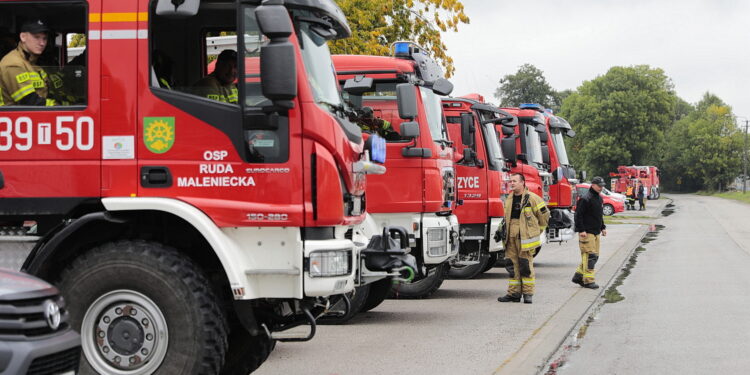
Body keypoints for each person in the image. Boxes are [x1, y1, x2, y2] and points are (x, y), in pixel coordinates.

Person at [497, 173, 550, 304]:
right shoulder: (509, 198)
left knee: (525, 265)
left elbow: (545, 216)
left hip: (525, 237)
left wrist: (538, 230)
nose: (512, 183)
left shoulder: (532, 198)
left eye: (514, 181)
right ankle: (513, 294)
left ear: (522, 183)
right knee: (511, 265)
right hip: (511, 236)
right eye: (511, 181)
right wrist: (500, 231)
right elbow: (506, 218)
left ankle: (528, 294)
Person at [0, 19, 56, 106]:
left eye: (44, 38)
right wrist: (57, 106)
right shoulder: (13, 63)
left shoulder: (31, 61)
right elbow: (28, 101)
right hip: (17, 117)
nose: (42, 43)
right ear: (23, 37)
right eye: (36, 37)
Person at [572, 176, 608, 289]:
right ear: (593, 185)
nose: (601, 188)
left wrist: (603, 227)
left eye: (602, 186)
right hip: (587, 233)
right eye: (599, 186)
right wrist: (581, 230)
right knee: (590, 257)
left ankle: (578, 276)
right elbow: (578, 215)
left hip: (596, 232)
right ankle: (588, 281)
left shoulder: (599, 198)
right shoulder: (585, 198)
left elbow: (599, 215)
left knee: (595, 257)